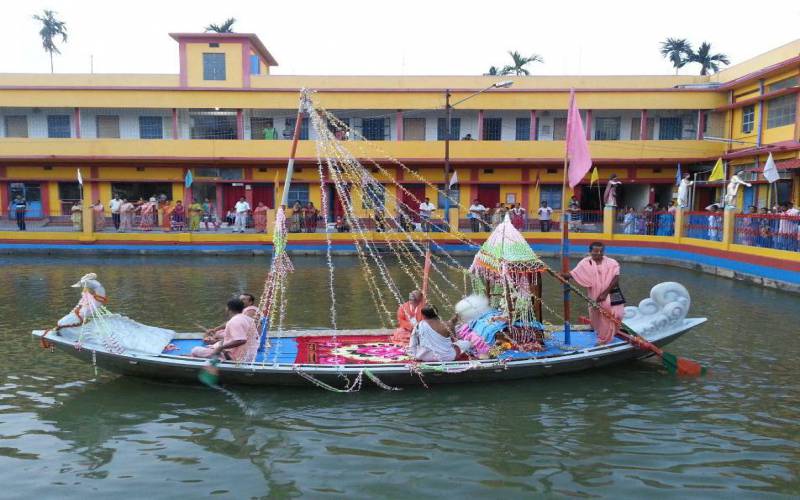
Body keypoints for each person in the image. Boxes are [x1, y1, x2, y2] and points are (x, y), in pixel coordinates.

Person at [563, 242, 624, 345]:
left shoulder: (612, 262)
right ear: (590, 252)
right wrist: (563, 275)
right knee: (596, 315)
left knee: (613, 312)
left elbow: (616, 278)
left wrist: (605, 293)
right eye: (595, 251)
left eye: (601, 251)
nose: (598, 253)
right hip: (595, 294)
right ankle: (604, 333)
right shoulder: (585, 262)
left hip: (612, 291)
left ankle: (604, 339)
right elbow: (575, 273)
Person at [192, 298, 257, 363]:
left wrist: (221, 348)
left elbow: (241, 340)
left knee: (195, 350)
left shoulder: (234, 321)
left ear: (228, 309)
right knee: (216, 345)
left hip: (236, 358)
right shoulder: (249, 319)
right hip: (250, 356)